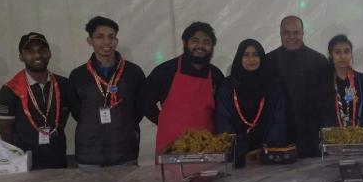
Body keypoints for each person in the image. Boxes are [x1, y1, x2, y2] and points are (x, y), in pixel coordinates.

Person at [69, 16, 145, 168]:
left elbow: (140, 108)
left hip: (124, 152)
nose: (106, 42)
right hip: (89, 155)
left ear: (116, 40)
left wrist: (126, 126)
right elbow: (76, 111)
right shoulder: (78, 75)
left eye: (111, 37)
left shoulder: (133, 72)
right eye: (100, 37)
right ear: (90, 40)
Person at [140, 22, 225, 154]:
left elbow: (222, 110)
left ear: (212, 47)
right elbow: (143, 102)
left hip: (206, 149)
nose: (200, 46)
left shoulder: (216, 75)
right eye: (195, 41)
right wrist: (164, 122)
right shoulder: (165, 71)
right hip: (171, 148)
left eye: (206, 42)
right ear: (185, 43)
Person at [0, 33, 71, 169]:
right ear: (21, 56)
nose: (37, 55)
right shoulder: (9, 90)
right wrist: (15, 163)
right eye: (29, 51)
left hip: (58, 159)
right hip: (25, 163)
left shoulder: (64, 84)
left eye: (42, 50)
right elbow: (6, 131)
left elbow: (61, 121)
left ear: (49, 53)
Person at [215, 39, 287, 167]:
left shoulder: (273, 85)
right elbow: (223, 120)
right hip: (236, 157)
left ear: (261, 58)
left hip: (268, 155)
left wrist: (267, 147)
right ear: (239, 58)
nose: (251, 59)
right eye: (246, 55)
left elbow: (279, 118)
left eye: (255, 55)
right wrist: (239, 150)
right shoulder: (227, 86)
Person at [264, 16, 328, 158]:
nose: (291, 37)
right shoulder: (268, 62)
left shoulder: (319, 61)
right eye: (287, 33)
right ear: (280, 34)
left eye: (296, 32)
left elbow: (327, 102)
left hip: (312, 136)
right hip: (279, 137)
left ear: (302, 33)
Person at [312, 34, 363, 131]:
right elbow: (316, 112)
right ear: (331, 55)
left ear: (351, 54)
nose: (342, 56)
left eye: (346, 51)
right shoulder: (321, 80)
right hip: (331, 136)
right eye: (337, 52)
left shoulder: (362, 80)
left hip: (357, 135)